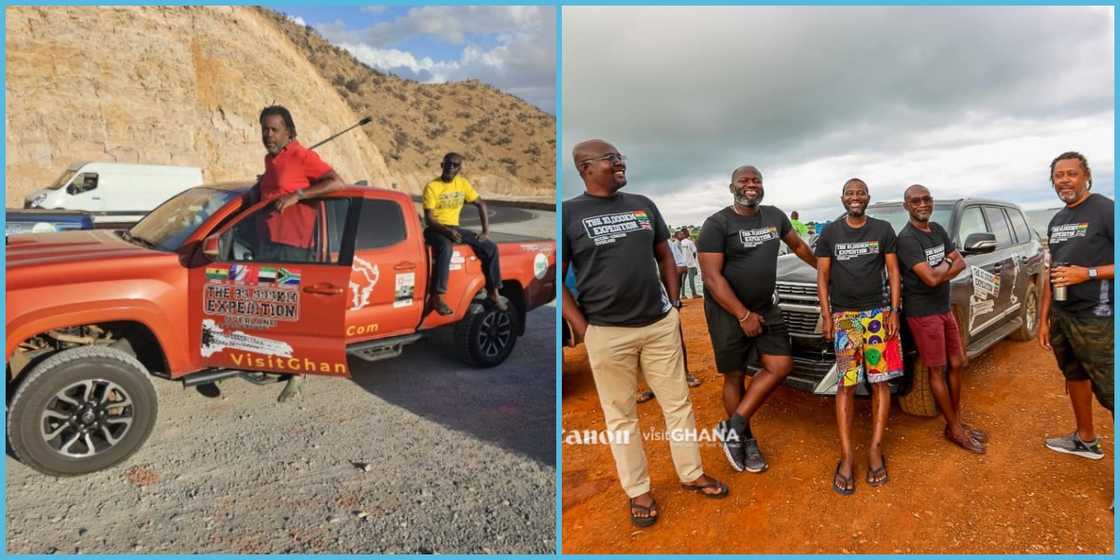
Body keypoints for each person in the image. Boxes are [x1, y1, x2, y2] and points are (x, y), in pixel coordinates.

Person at [562, 138, 728, 528]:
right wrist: (583, 328)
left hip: (658, 326)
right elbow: (559, 279)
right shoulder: (568, 214)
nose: (620, 163)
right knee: (621, 417)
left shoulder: (643, 204)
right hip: (606, 332)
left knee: (678, 404)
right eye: (610, 159)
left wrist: (672, 303)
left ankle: (691, 474)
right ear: (585, 167)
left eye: (621, 157)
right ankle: (638, 489)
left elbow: (664, 255)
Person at [698, 165, 816, 473]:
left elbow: (800, 246)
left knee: (780, 365)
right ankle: (746, 440)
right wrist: (742, 314)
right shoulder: (717, 224)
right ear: (732, 187)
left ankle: (733, 427)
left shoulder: (774, 216)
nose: (751, 185)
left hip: (766, 307)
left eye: (756, 180)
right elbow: (711, 278)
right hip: (728, 311)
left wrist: (825, 271)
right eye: (744, 181)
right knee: (735, 375)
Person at [815, 178, 902, 495]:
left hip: (879, 316)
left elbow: (893, 272)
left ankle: (876, 450)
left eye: (860, 193)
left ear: (868, 197)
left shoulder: (882, 230)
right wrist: (827, 315)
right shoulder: (830, 233)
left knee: (881, 381)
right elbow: (822, 276)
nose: (855, 197)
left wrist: (894, 310)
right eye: (850, 193)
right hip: (846, 320)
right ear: (842, 199)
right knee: (846, 385)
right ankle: (847, 456)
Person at [254, 105, 345, 403]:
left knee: (295, 312)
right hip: (269, 243)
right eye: (264, 129)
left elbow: (336, 181)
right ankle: (281, 361)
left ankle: (299, 372)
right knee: (275, 309)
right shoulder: (272, 159)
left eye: (274, 129)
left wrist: (298, 195)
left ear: (289, 131)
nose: (268, 134)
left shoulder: (302, 156)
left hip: (296, 247)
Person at [896, 184, 985, 454]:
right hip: (922, 312)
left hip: (943, 307)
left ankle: (954, 420)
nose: (922, 204)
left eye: (925, 199)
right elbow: (932, 277)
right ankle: (955, 428)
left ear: (931, 202)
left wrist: (941, 269)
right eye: (915, 201)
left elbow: (960, 262)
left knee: (957, 363)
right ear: (906, 206)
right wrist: (946, 267)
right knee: (937, 368)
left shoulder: (937, 230)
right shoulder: (907, 239)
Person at [1038, 151, 1113, 468]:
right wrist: (1044, 320)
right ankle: (1085, 438)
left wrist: (1089, 273)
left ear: (1086, 177)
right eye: (1059, 175)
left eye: (1071, 173)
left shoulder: (1106, 210)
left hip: (1099, 316)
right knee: (1075, 375)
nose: (1064, 180)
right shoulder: (1057, 221)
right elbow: (1050, 271)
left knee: (1110, 388)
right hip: (1063, 316)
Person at [422, 152, 506, 315]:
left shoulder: (462, 184)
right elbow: (429, 218)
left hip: (454, 227)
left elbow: (481, 204)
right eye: (448, 164)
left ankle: (493, 292)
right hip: (436, 229)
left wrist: (485, 231)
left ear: (460, 168)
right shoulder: (432, 186)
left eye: (455, 165)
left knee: (490, 248)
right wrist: (448, 231)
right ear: (442, 165)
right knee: (446, 248)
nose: (450, 167)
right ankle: (438, 297)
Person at [679, 228, 701, 299]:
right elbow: (694, 252)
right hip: (690, 264)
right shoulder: (690, 242)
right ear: (687, 234)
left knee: (683, 280)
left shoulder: (680, 243)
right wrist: (693, 260)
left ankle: (683, 295)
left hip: (683, 264)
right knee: (691, 279)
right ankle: (694, 294)